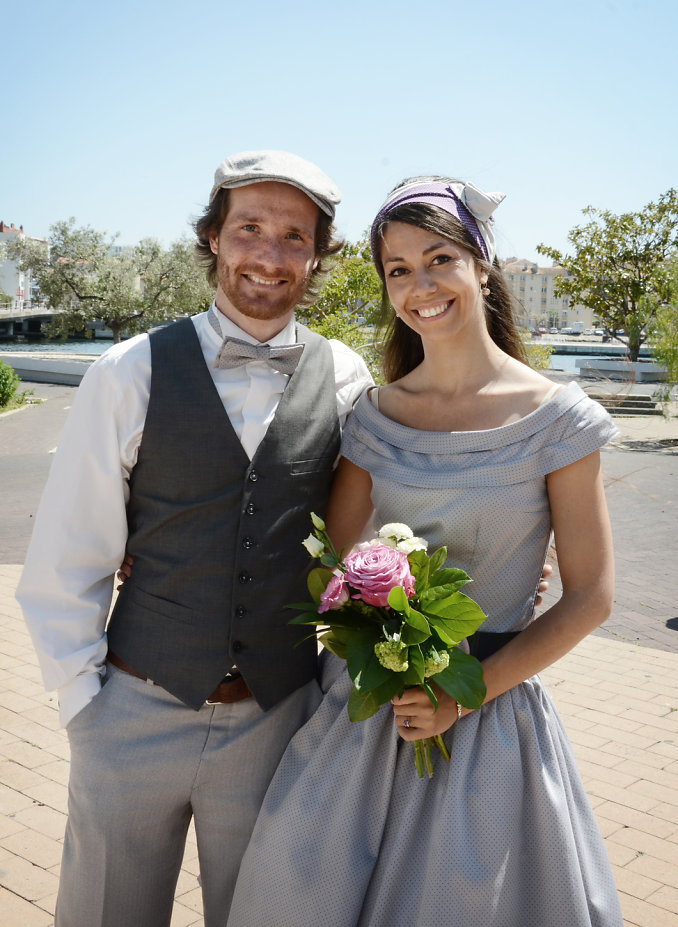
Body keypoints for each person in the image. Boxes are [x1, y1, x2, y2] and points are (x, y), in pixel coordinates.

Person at [225, 177, 623, 927]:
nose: (420, 285)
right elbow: (335, 569)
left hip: (488, 714)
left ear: (481, 263)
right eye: (398, 269)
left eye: (438, 258)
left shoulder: (557, 420)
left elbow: (590, 596)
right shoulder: (375, 415)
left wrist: (459, 693)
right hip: (365, 712)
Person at [16, 150, 373, 927]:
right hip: (132, 710)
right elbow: (70, 552)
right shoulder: (128, 370)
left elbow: (378, 529)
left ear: (317, 255)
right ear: (215, 236)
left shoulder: (348, 378)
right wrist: (86, 707)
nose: (269, 255)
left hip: (277, 722)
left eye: (293, 236)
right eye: (249, 228)